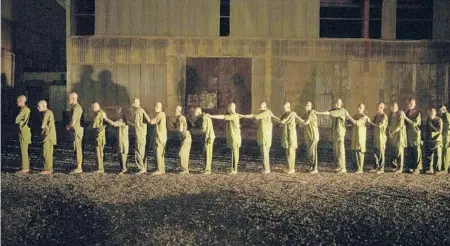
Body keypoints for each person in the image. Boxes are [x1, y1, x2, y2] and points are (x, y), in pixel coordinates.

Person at [242, 102, 279, 174]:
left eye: (260, 107)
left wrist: (244, 116)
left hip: (265, 137)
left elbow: (254, 116)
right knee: (264, 154)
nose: (259, 108)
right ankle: (265, 168)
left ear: (265, 107)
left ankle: (267, 169)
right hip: (264, 137)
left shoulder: (266, 112)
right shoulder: (266, 113)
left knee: (265, 154)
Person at [317, 98, 349, 173]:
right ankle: (338, 166)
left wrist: (318, 113)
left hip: (340, 133)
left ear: (341, 104)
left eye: (338, 103)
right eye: (336, 102)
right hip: (335, 133)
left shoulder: (342, 111)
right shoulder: (335, 110)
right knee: (336, 150)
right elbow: (329, 112)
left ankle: (343, 168)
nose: (336, 104)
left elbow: (329, 113)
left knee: (341, 150)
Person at [209, 103, 243, 174]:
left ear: (230, 108)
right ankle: (233, 169)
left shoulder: (233, 116)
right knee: (234, 154)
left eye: (228, 108)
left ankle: (234, 170)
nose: (227, 109)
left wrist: (211, 116)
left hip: (235, 138)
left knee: (235, 154)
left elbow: (223, 117)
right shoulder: (235, 115)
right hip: (234, 138)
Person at [103, 108, 129, 175]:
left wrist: (105, 118)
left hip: (123, 140)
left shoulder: (122, 120)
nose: (117, 113)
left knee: (123, 154)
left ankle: (124, 169)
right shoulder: (122, 120)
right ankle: (123, 168)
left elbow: (114, 124)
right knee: (121, 153)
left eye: (118, 112)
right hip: (121, 139)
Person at [144, 102, 167, 175]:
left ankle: (159, 170)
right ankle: (162, 169)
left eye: (156, 106)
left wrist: (144, 112)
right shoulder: (162, 114)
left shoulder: (160, 114)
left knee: (158, 153)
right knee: (161, 154)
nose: (155, 108)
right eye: (155, 106)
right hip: (163, 137)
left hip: (159, 137)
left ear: (160, 107)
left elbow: (151, 122)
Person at [169, 106, 192, 174]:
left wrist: (173, 128)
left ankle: (185, 169)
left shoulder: (181, 118)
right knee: (184, 154)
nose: (174, 111)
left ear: (179, 111)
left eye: (175, 110)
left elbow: (180, 129)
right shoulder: (179, 118)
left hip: (186, 136)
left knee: (181, 153)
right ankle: (185, 169)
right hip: (184, 137)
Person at [347, 104, 369, 174]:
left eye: (361, 108)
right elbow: (350, 123)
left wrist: (348, 116)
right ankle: (356, 167)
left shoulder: (364, 117)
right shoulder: (355, 116)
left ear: (363, 109)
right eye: (358, 107)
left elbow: (356, 123)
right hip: (354, 136)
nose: (359, 109)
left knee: (360, 152)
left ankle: (360, 168)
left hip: (360, 136)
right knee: (355, 151)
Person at [402, 99, 422, 174]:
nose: (410, 105)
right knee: (410, 151)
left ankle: (416, 168)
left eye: (411, 104)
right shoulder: (407, 112)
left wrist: (405, 117)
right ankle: (410, 167)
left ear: (415, 104)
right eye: (409, 104)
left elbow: (414, 123)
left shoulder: (417, 113)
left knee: (416, 151)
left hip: (415, 134)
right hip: (408, 134)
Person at [37, 100, 57, 175]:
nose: (38, 108)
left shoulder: (46, 113)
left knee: (46, 152)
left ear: (44, 106)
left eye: (39, 106)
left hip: (48, 136)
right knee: (49, 152)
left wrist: (41, 127)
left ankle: (47, 169)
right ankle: (49, 168)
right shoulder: (49, 112)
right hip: (50, 135)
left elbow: (43, 125)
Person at [279, 102, 299, 174]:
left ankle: (292, 168)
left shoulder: (291, 114)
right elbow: (280, 121)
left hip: (291, 135)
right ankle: (289, 167)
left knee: (291, 152)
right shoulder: (285, 114)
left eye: (284, 108)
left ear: (288, 107)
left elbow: (283, 121)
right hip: (286, 135)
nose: (283, 109)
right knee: (287, 152)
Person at [194, 107, 215, 174]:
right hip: (207, 137)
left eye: (195, 114)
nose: (194, 116)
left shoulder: (204, 118)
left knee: (208, 154)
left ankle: (208, 170)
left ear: (198, 113)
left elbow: (203, 129)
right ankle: (206, 168)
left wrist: (194, 131)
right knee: (206, 153)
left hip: (209, 138)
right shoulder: (203, 117)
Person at [300, 101, 320, 174]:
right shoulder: (306, 114)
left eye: (308, 105)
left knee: (313, 152)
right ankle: (311, 167)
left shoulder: (312, 113)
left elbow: (306, 122)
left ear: (311, 107)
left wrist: (302, 122)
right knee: (310, 152)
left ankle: (315, 168)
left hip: (314, 136)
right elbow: (301, 120)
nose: (306, 106)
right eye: (306, 105)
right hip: (309, 136)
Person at [66, 92, 84, 174]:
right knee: (76, 148)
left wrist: (68, 127)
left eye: (69, 98)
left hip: (77, 131)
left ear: (73, 98)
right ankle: (77, 165)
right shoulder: (75, 107)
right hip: (76, 131)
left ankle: (79, 167)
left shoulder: (76, 108)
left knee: (78, 148)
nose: (68, 100)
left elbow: (73, 121)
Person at [369, 102, 388, 173]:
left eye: (378, 107)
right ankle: (375, 167)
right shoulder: (376, 116)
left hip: (381, 137)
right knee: (375, 152)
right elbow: (372, 125)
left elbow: (379, 125)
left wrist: (370, 122)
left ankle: (381, 169)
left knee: (381, 153)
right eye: (377, 107)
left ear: (382, 108)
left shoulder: (384, 116)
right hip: (375, 137)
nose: (377, 108)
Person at [388, 103, 407, 173]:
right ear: (391, 107)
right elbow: (389, 124)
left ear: (397, 107)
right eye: (392, 106)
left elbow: (399, 126)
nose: (394, 108)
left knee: (399, 151)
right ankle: (394, 166)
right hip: (392, 135)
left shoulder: (400, 114)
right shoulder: (390, 115)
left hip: (399, 135)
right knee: (393, 150)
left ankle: (400, 168)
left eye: (395, 106)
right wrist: (390, 132)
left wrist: (393, 132)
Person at [131, 98, 148, 175]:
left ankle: (141, 168)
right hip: (143, 134)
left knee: (139, 151)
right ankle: (144, 167)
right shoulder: (142, 110)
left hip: (139, 134)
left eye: (133, 103)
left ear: (135, 103)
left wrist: (128, 122)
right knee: (143, 151)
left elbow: (137, 124)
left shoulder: (137, 111)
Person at [424, 108, 443, 175]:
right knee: (429, 156)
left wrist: (431, 125)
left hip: (437, 140)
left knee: (437, 155)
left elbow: (439, 130)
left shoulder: (439, 120)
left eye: (432, 113)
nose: (430, 114)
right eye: (429, 113)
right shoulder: (428, 119)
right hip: (429, 140)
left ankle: (437, 170)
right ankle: (429, 169)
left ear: (435, 113)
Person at [15, 95, 31, 173]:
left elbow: (17, 120)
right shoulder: (26, 109)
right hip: (25, 131)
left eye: (18, 101)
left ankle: (25, 167)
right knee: (24, 149)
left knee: (23, 150)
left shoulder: (24, 110)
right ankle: (24, 166)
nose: (16, 102)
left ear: (21, 101)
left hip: (24, 132)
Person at [91, 102, 106, 173]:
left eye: (92, 107)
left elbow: (94, 125)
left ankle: (100, 168)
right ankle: (100, 167)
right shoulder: (102, 113)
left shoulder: (98, 114)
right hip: (101, 135)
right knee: (100, 152)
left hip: (99, 136)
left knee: (98, 152)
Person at [439, 105, 450, 174]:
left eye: (441, 110)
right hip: (444, 135)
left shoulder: (447, 115)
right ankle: (446, 168)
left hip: (447, 136)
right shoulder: (443, 116)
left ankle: (445, 169)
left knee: (446, 152)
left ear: (444, 109)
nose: (439, 112)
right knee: (445, 152)